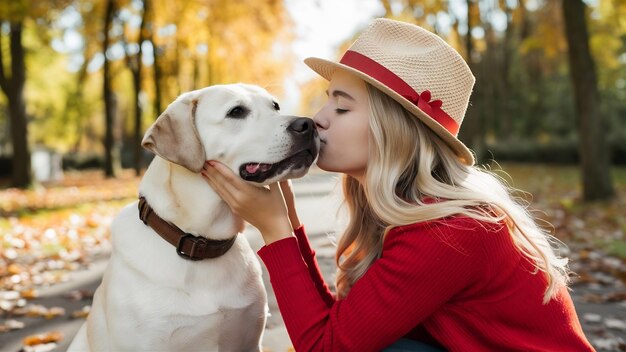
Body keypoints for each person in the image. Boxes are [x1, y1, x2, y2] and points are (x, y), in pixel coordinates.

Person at [201, 18, 594, 351]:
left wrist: (275, 232)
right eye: (326, 102)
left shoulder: (451, 232)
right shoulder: (409, 211)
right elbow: (339, 327)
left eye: (342, 106)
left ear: (395, 130)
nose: (318, 119)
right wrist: (289, 223)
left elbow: (325, 346)